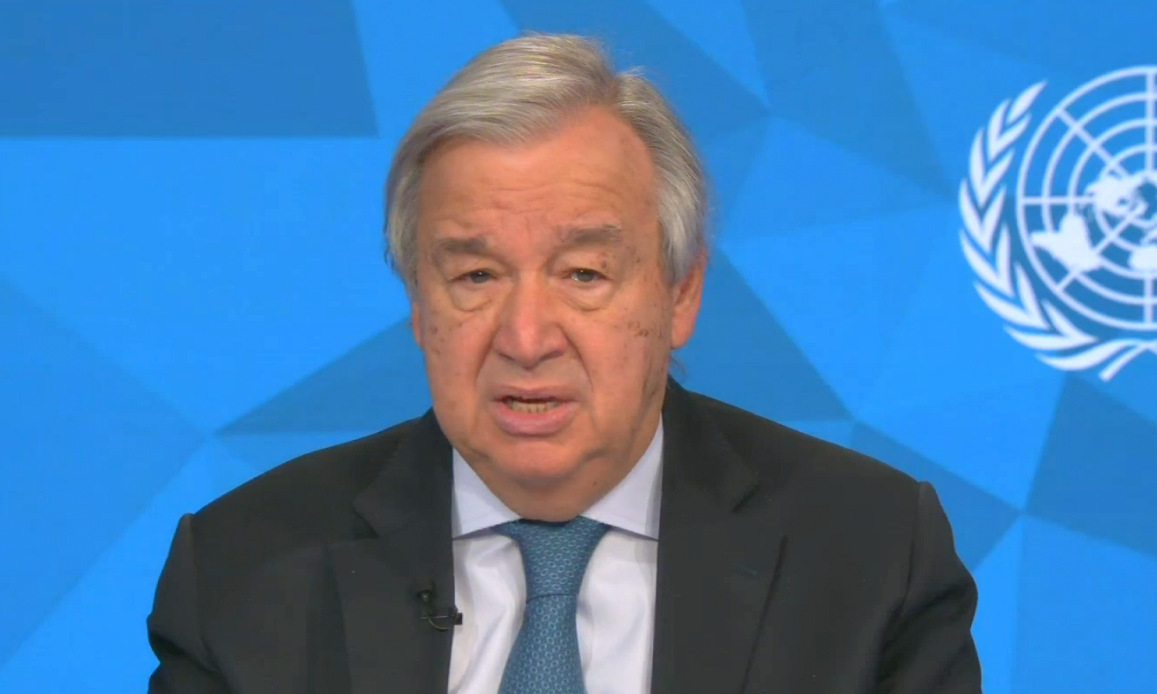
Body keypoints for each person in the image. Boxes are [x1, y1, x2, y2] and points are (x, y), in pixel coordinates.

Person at [146, 33, 981, 694]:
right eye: (475, 277)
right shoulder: (241, 569)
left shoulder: (870, 554)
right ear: (419, 306)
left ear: (679, 294)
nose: (526, 337)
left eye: (583, 274)